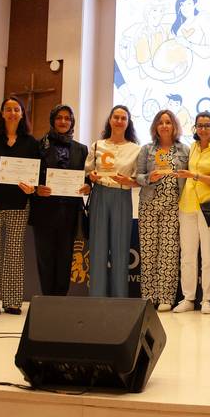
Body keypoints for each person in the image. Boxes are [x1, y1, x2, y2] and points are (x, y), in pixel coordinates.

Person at [0, 97, 38, 315]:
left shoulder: (31, 142)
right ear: (2, 113)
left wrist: (31, 188)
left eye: (17, 109)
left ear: (22, 114)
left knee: (14, 254)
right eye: (8, 109)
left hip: (19, 205)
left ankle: (13, 301)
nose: (13, 113)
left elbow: (36, 173)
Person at [173, 112, 210, 314]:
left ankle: (207, 299)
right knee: (187, 255)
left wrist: (194, 175)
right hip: (188, 205)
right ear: (195, 128)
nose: (203, 129)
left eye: (207, 125)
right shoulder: (194, 147)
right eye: (200, 125)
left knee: (209, 255)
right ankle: (188, 298)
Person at [29, 105, 89, 297]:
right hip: (44, 211)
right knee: (45, 258)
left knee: (65, 258)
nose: (63, 122)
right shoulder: (38, 146)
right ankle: (46, 300)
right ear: (52, 120)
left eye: (67, 119)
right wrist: (37, 188)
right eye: (59, 118)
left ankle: (60, 301)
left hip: (69, 213)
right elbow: (30, 175)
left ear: (72, 122)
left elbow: (86, 177)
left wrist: (88, 185)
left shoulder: (81, 149)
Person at [135, 109, 189, 311]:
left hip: (173, 205)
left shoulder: (184, 150)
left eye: (168, 122)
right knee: (148, 251)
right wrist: (150, 177)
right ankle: (148, 296)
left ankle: (166, 297)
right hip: (149, 203)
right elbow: (137, 176)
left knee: (169, 251)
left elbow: (189, 176)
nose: (164, 126)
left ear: (174, 126)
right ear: (155, 127)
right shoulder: (146, 149)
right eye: (161, 122)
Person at [85, 105, 141, 297]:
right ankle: (97, 296)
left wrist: (129, 181)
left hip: (122, 196)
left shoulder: (136, 149)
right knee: (98, 247)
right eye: (115, 117)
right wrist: (90, 176)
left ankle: (120, 297)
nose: (119, 121)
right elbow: (87, 171)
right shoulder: (97, 145)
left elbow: (139, 179)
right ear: (110, 120)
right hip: (100, 194)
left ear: (128, 122)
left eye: (123, 118)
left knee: (120, 248)